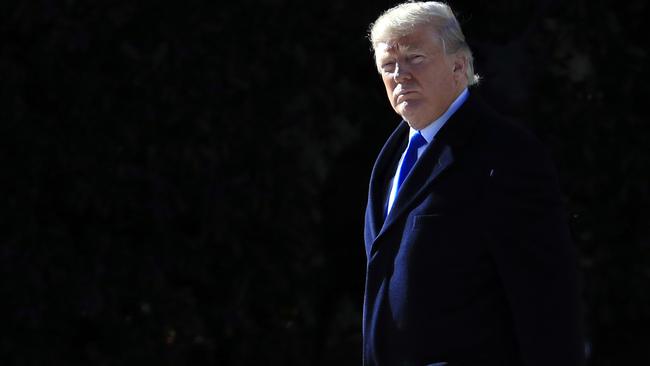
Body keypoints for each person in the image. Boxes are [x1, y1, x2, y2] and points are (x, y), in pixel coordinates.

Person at [362, 2, 585, 365]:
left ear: (459, 66)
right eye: (388, 66)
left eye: (415, 58)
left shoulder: (505, 155)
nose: (400, 74)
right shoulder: (389, 159)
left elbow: (548, 300)